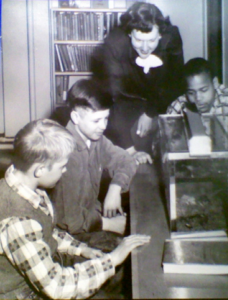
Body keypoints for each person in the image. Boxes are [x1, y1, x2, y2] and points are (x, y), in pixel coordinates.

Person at [0, 118, 150, 299]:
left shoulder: (26, 185)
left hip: (45, 271)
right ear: (39, 170)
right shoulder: (18, 221)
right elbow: (57, 288)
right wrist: (112, 260)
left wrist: (81, 249)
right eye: (62, 166)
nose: (64, 171)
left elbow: (47, 230)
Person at [91, 1, 184, 162]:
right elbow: (112, 96)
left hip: (159, 92)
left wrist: (150, 112)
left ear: (161, 35)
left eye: (152, 41)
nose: (145, 48)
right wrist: (131, 151)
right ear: (129, 34)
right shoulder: (115, 44)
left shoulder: (172, 38)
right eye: (139, 40)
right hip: (127, 93)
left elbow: (175, 83)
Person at [50, 79, 137, 245]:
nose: (103, 126)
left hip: (91, 217)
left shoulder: (96, 139)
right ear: (76, 117)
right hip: (69, 236)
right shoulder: (66, 155)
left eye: (106, 118)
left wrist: (115, 187)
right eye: (97, 120)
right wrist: (109, 224)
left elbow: (126, 160)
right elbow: (69, 221)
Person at [166, 57, 228, 133]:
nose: (198, 98)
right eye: (191, 93)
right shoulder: (178, 108)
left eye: (203, 90)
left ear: (215, 83)